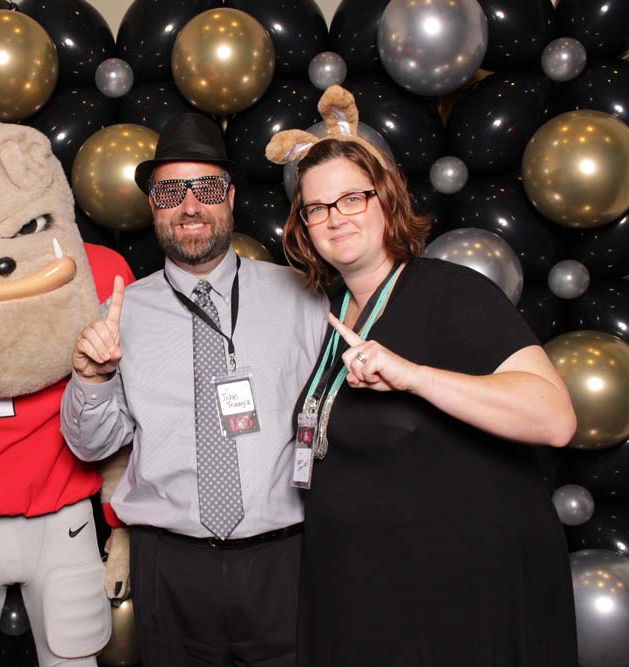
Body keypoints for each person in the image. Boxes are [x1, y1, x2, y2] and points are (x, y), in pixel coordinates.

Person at [270, 90, 578, 666]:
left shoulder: (451, 292)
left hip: (456, 602)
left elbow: (554, 418)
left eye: (352, 198)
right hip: (368, 599)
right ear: (303, 226)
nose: (335, 217)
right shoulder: (333, 317)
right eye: (316, 207)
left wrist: (415, 377)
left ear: (386, 199)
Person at [60, 113, 329, 667]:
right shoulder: (122, 313)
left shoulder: (301, 297)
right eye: (170, 192)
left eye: (205, 188)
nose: (190, 206)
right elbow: (90, 447)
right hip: (170, 566)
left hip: (286, 561)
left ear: (229, 197)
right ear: (152, 206)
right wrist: (92, 377)